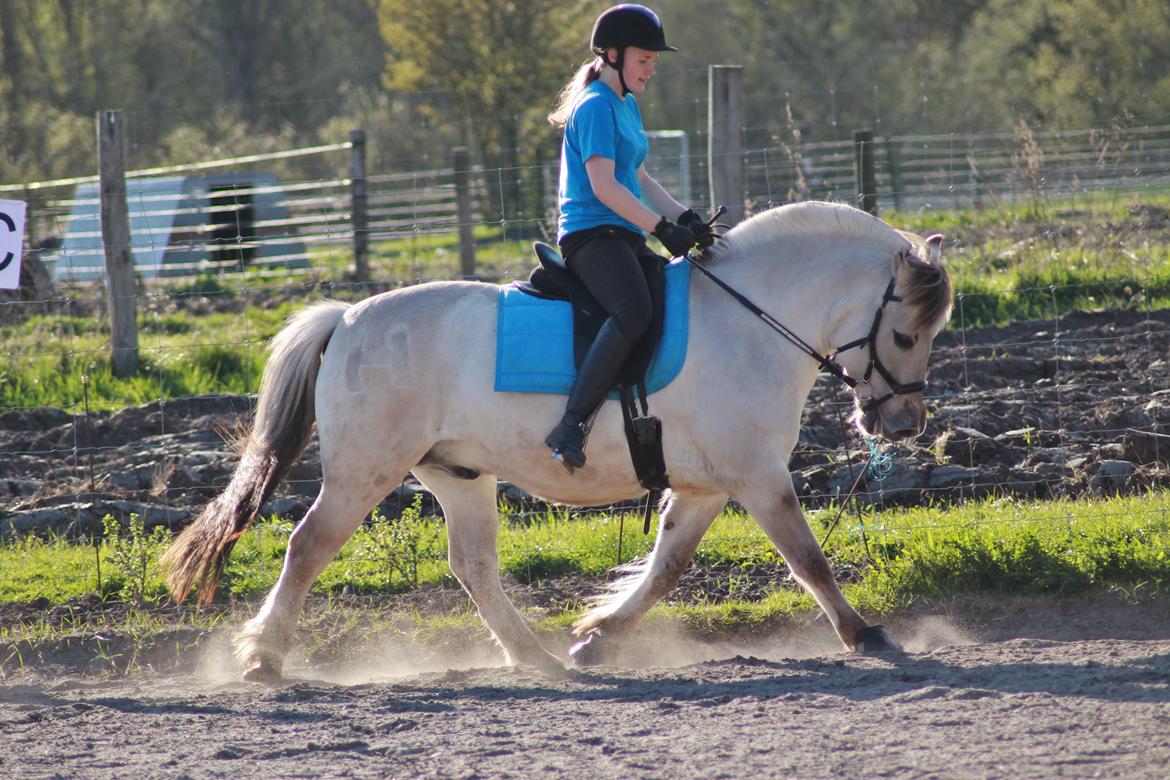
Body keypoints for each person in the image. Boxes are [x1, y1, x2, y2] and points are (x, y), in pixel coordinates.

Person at [544, 4, 713, 473]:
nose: (652, 69)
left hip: (620, 233)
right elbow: (604, 187)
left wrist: (687, 218)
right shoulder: (596, 105)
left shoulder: (626, 104)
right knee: (633, 309)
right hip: (590, 236)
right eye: (645, 59)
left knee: (671, 293)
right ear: (613, 56)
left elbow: (637, 176)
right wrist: (661, 229)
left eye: (654, 61)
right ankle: (571, 425)